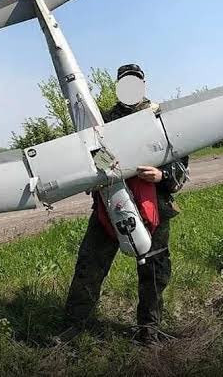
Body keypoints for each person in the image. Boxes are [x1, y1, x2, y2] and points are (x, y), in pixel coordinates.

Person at [63, 64, 189, 345]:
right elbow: (89, 154)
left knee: (154, 270)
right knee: (90, 264)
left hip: (155, 205)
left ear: (143, 84)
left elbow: (181, 160)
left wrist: (161, 175)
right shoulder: (103, 121)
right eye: (125, 81)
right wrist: (103, 169)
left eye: (135, 81)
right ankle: (74, 326)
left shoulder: (160, 117)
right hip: (109, 204)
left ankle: (149, 329)